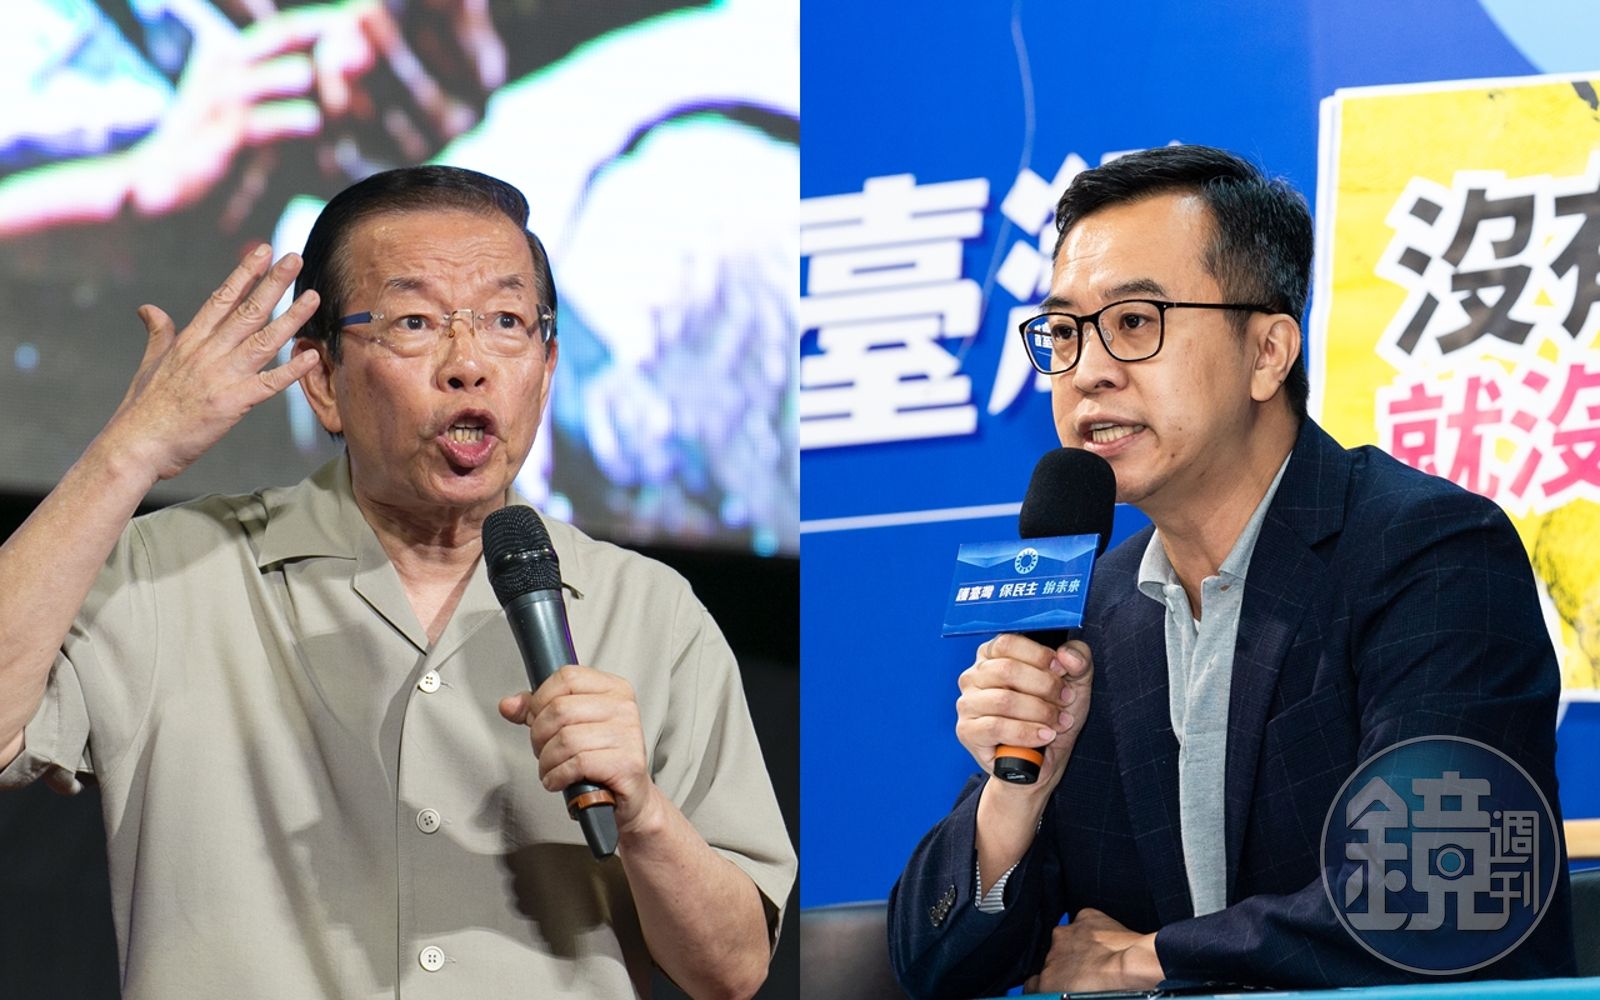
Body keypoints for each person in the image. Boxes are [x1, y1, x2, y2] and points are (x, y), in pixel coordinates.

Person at [0, 165, 794, 998]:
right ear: (321, 380)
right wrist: (130, 452)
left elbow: (732, 970)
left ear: (546, 366)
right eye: (415, 321)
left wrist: (644, 814)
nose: (468, 363)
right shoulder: (169, 571)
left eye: (506, 321)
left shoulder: (651, 610)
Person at [886, 144, 1575, 997]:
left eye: (1134, 322)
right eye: (1063, 332)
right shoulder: (1088, 614)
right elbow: (933, 965)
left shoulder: (1428, 552)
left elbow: (1438, 891)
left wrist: (1148, 958)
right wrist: (1015, 794)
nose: (1088, 371)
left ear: (1267, 352)